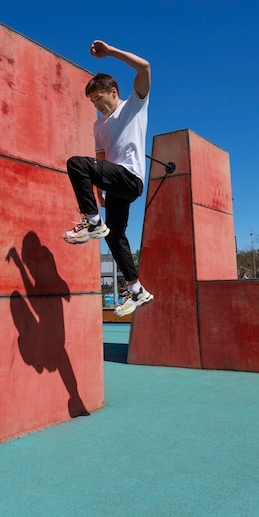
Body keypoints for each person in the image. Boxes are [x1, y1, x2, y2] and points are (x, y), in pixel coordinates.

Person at [63, 40, 153, 317]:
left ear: (113, 92)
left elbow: (145, 67)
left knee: (75, 163)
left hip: (130, 178)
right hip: (115, 184)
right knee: (114, 236)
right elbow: (101, 161)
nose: (97, 106)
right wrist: (99, 194)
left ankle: (91, 222)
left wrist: (110, 52)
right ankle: (136, 289)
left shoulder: (134, 105)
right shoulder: (98, 125)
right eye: (93, 102)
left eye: (100, 99)